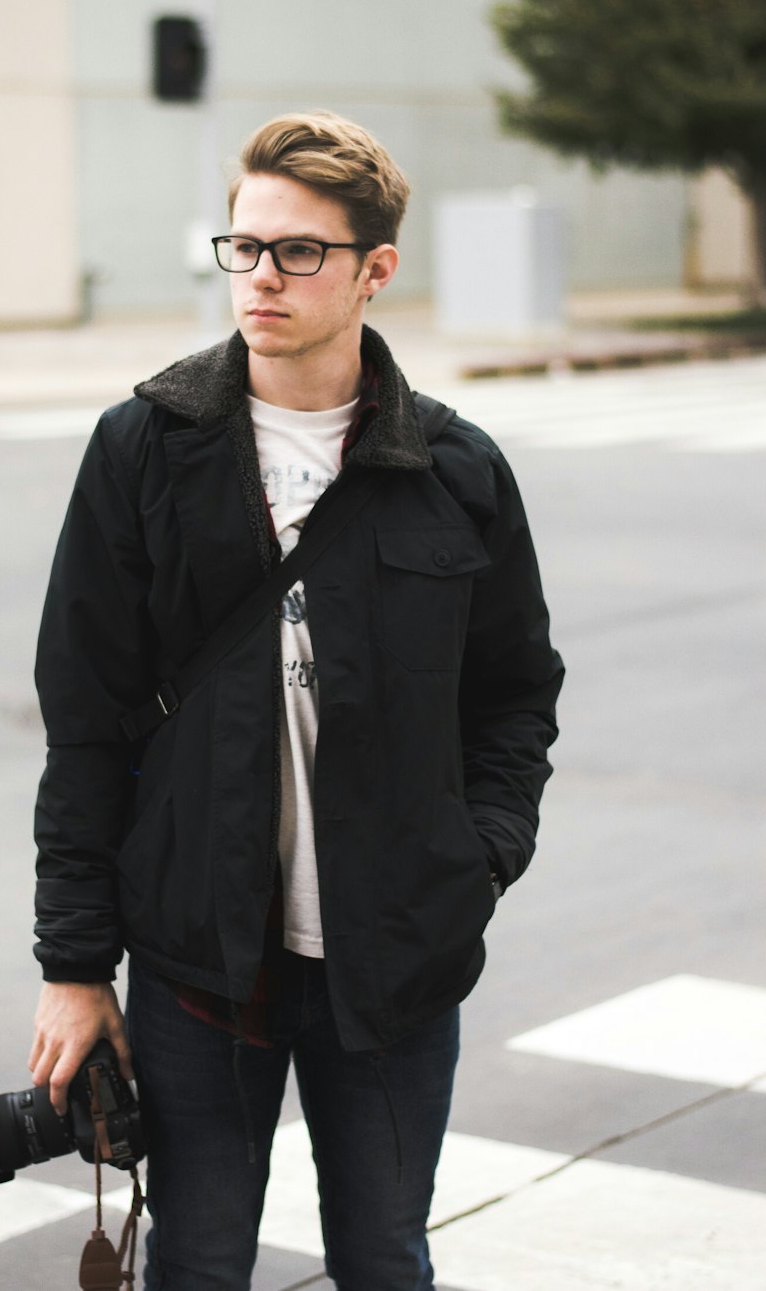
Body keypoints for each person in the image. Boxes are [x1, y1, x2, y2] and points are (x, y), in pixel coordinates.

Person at [28, 111, 563, 1290]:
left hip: (395, 963)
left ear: (375, 269)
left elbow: (515, 694)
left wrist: (476, 858)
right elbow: (87, 719)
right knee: (201, 1263)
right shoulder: (143, 452)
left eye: (298, 251)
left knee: (382, 1259)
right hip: (198, 963)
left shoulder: (454, 473)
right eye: (244, 246)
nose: (260, 276)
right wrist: (75, 967)